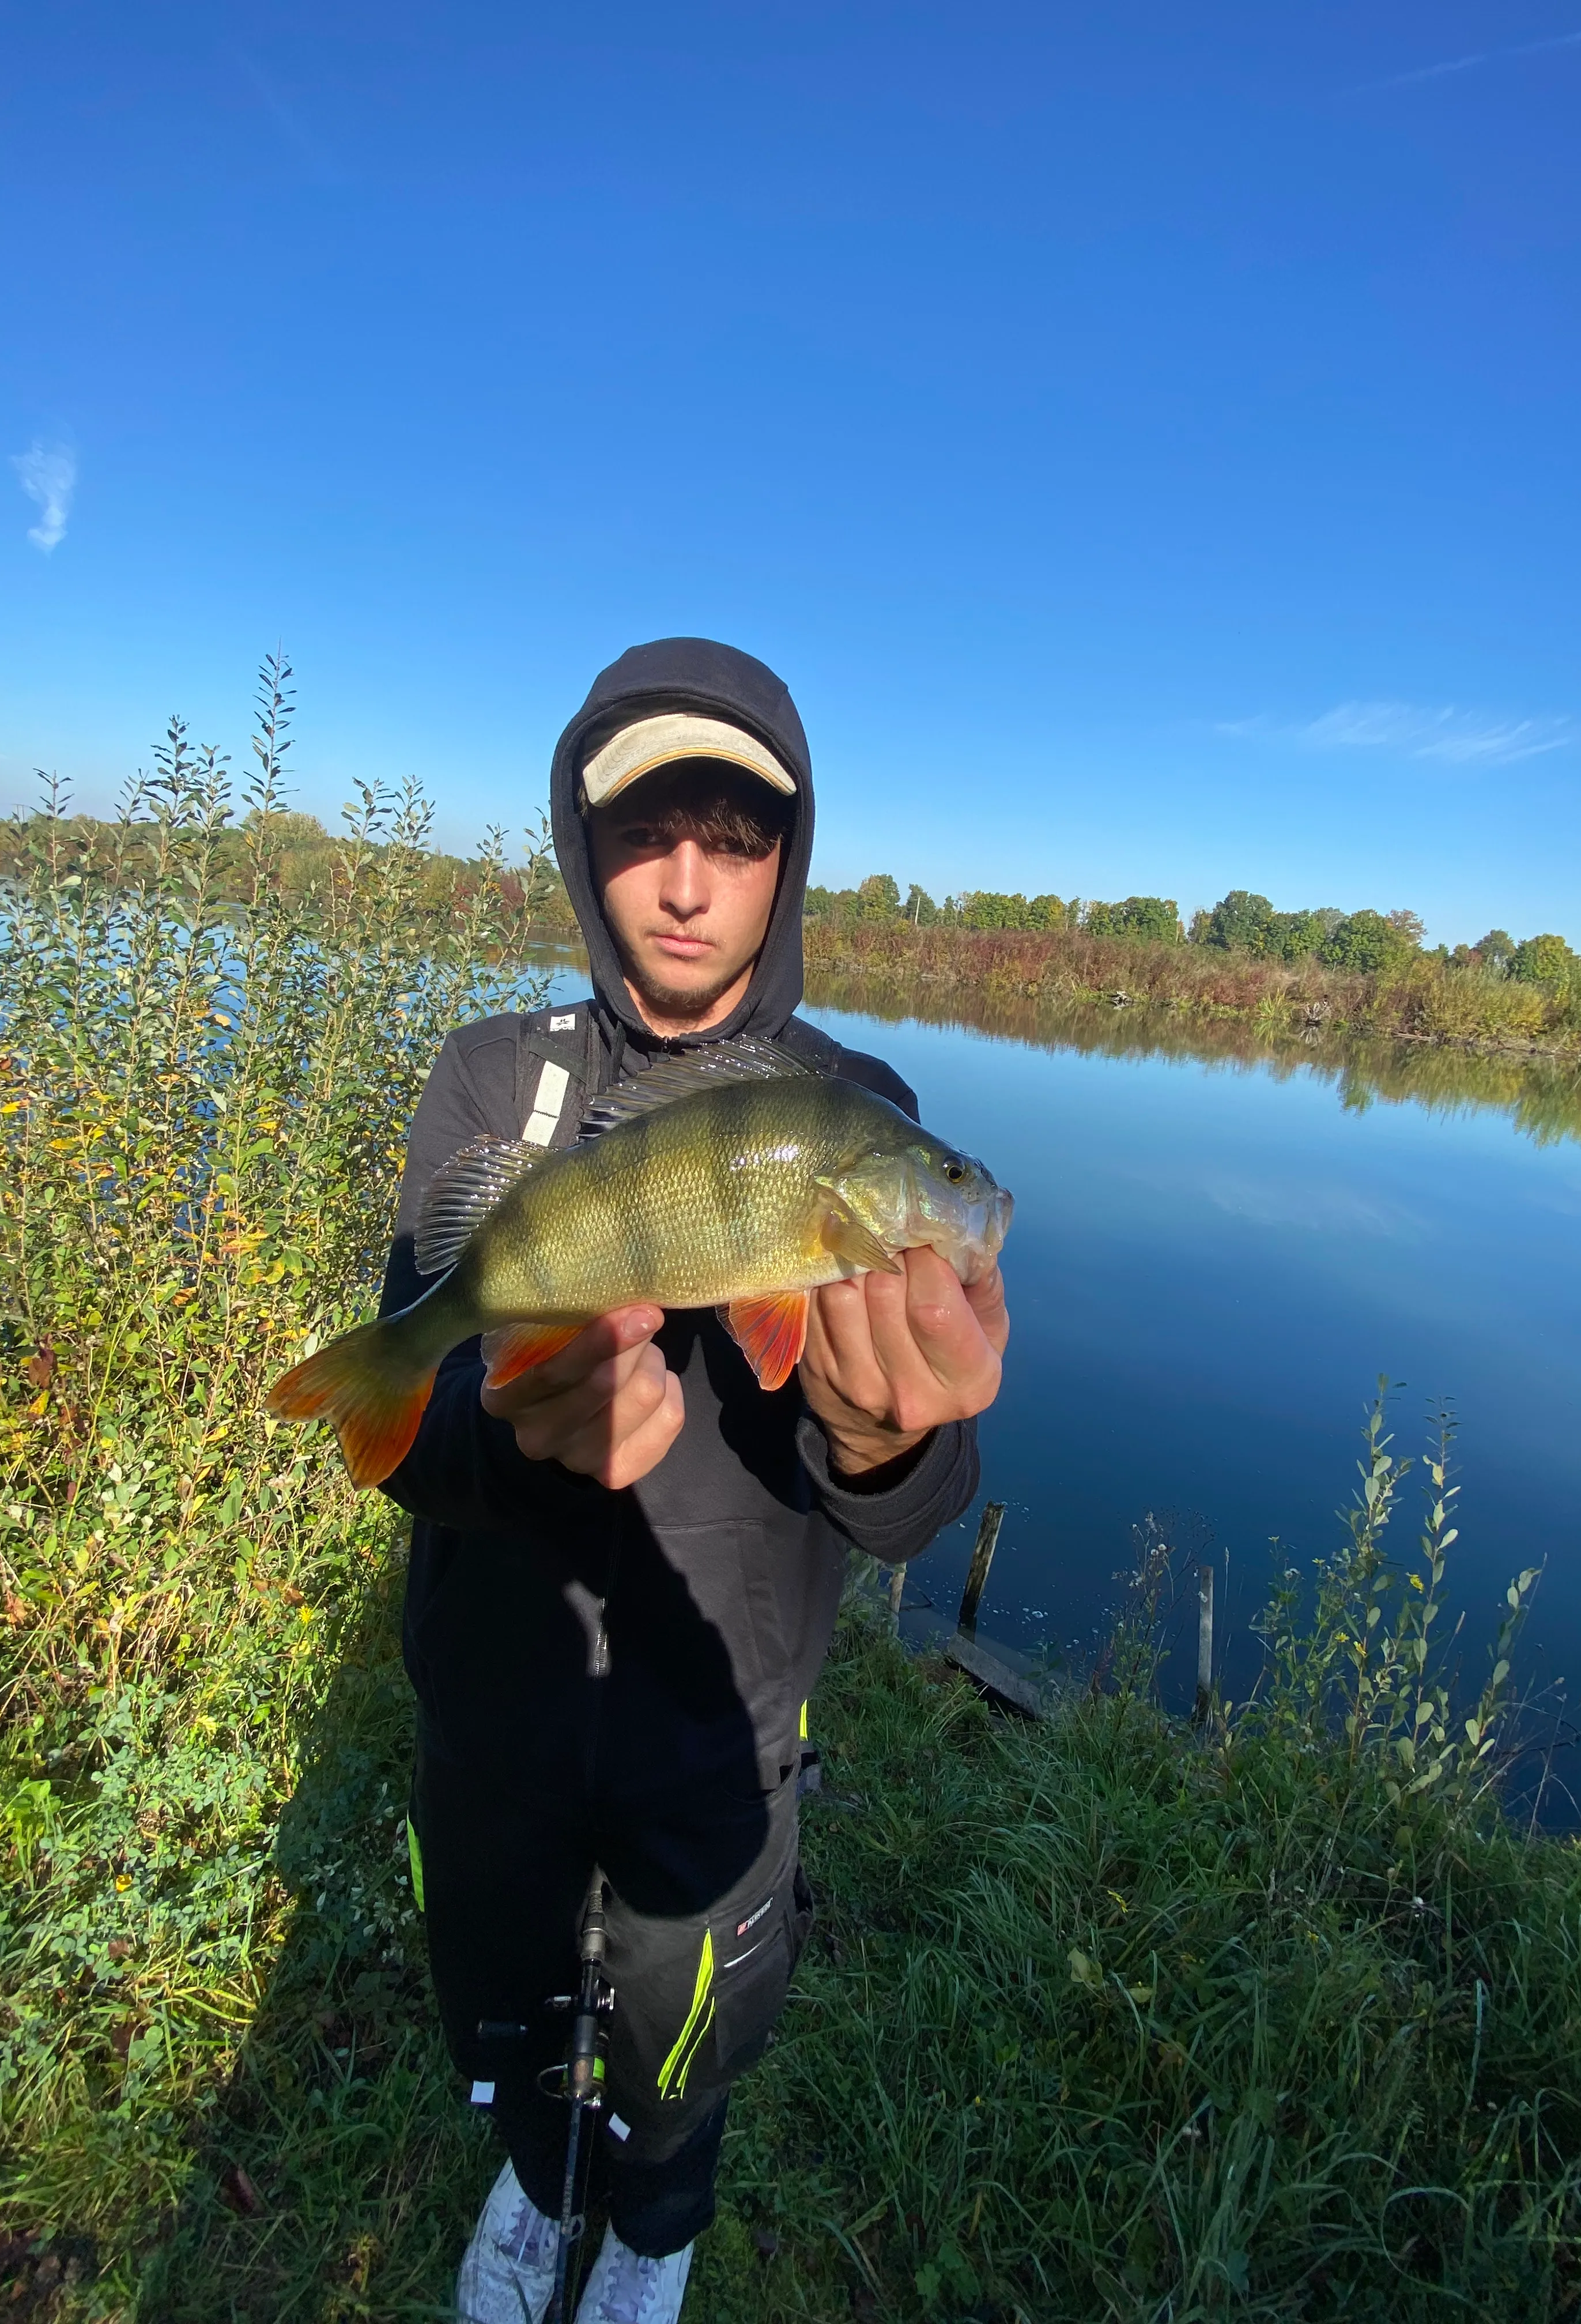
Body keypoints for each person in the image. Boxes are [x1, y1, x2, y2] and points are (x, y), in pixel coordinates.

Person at [379, 637, 1008, 2323]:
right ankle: (533, 2192)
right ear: (584, 853)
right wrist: (503, 1440)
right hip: (498, 1710)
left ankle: (656, 2231)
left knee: (689, 2028)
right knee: (503, 1990)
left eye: (733, 838)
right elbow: (415, 1423)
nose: (682, 883)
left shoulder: (855, 1112)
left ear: (788, 868)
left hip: (715, 1730)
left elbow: (896, 1496)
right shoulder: (492, 1084)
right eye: (646, 830)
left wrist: (892, 1441)